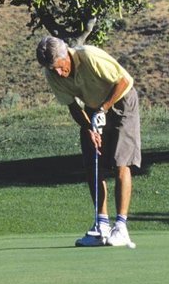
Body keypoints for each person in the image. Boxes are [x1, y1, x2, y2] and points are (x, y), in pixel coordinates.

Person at [35, 36, 140, 247]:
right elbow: (73, 106)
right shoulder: (52, 73)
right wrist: (89, 128)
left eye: (59, 66)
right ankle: (102, 225)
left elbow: (124, 81)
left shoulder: (90, 56)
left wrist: (103, 109)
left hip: (122, 102)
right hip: (93, 109)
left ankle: (121, 227)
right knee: (93, 163)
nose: (58, 73)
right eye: (52, 69)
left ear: (67, 55)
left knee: (121, 161)